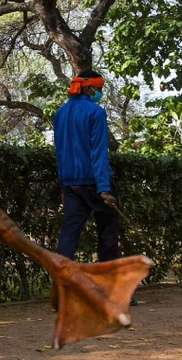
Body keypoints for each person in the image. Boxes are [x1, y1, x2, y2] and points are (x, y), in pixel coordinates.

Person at [53, 72, 121, 262]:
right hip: (95, 183)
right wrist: (105, 188)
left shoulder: (60, 112)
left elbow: (60, 152)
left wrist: (63, 187)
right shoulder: (96, 112)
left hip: (71, 185)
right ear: (89, 88)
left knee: (68, 235)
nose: (100, 92)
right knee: (108, 236)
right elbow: (98, 151)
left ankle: (63, 284)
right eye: (99, 89)